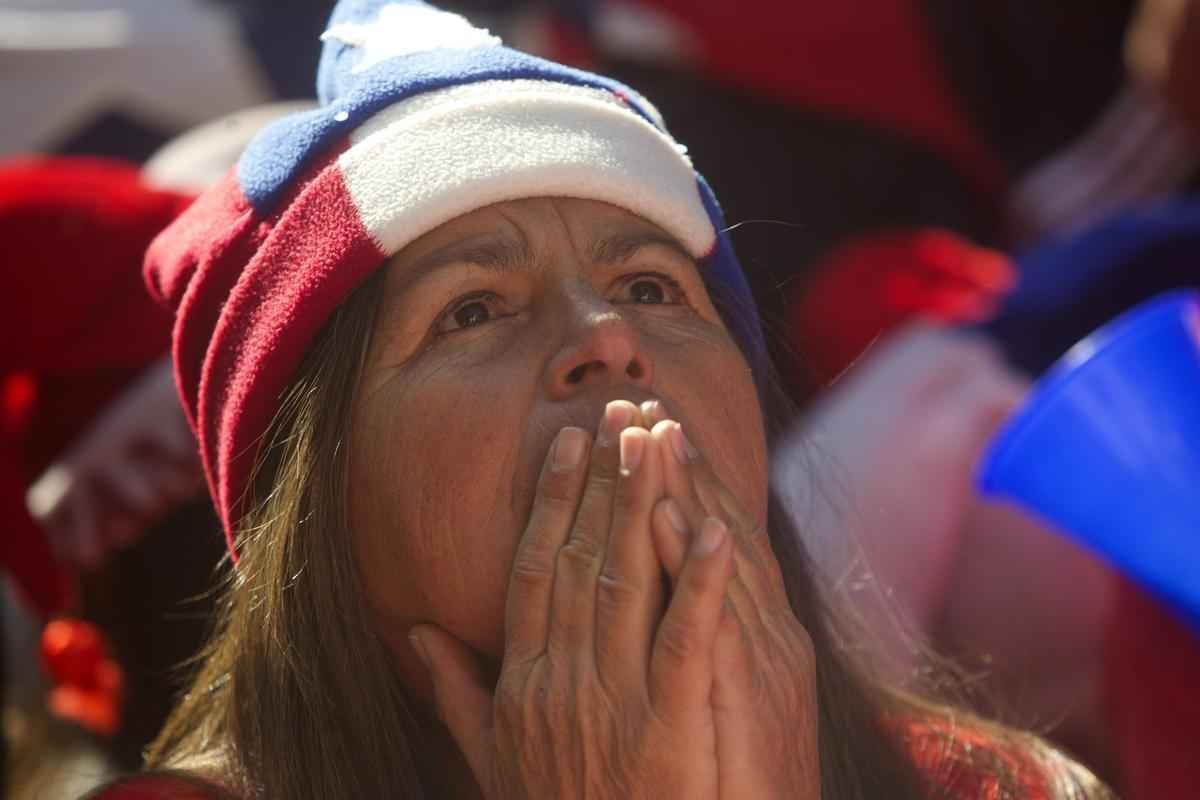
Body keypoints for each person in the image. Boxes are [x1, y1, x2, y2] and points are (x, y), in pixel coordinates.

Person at [99, 1, 1114, 797]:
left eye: (649, 286)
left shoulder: (1006, 788)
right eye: (472, 310)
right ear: (313, 503)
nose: (607, 338)